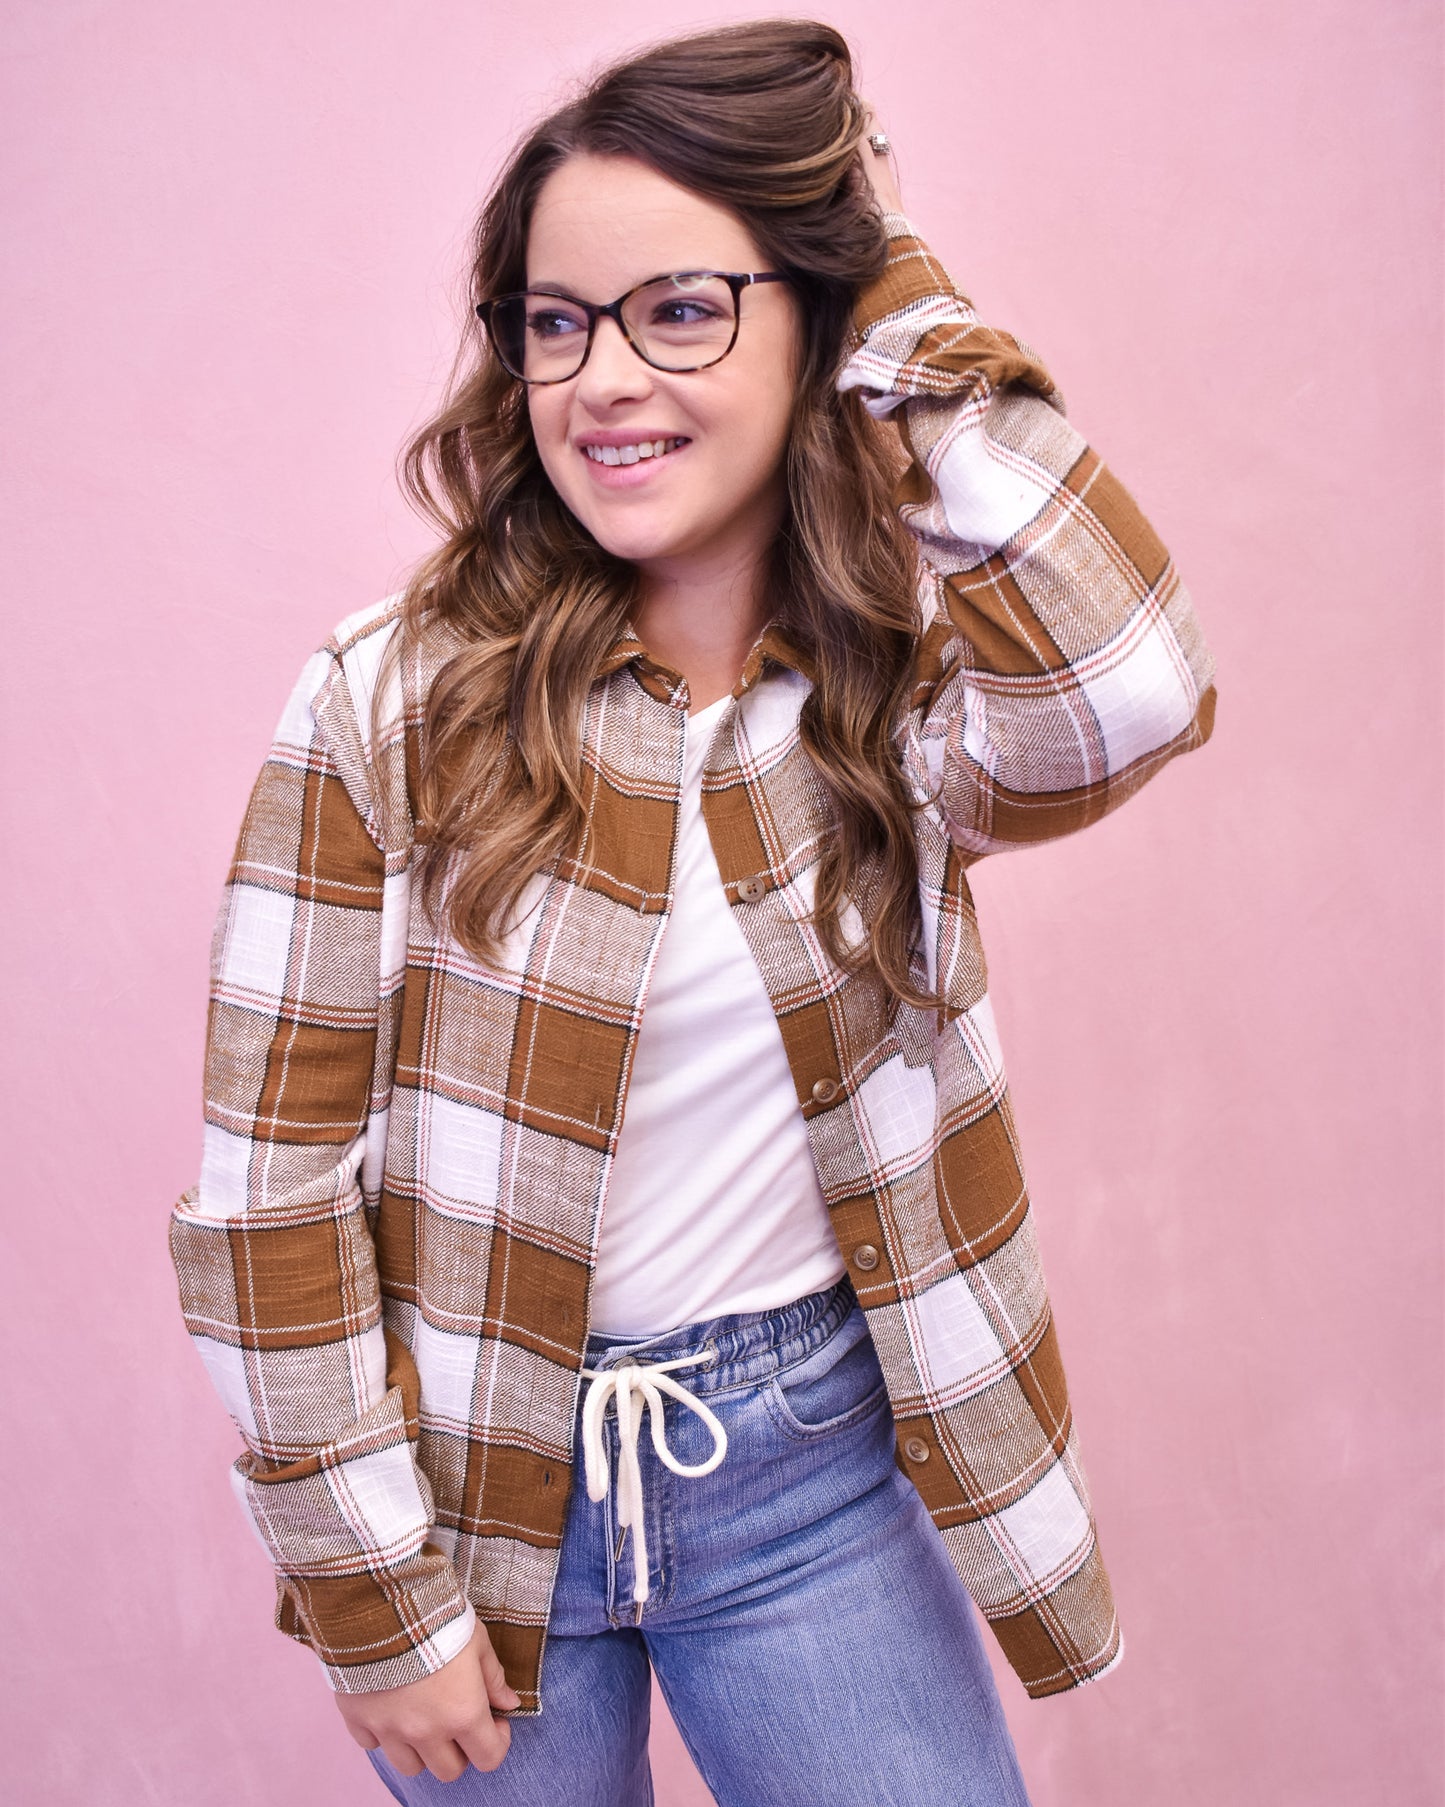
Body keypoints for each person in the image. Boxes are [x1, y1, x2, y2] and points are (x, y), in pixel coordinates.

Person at [168, 19, 1218, 1807]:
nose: (599, 380)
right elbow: (268, 1191)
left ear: (814, 323)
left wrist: (892, 289)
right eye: (554, 322)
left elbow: (1131, 683)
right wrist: (371, 1594)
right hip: (472, 1499)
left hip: (804, 1474)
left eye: (679, 310)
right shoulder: (385, 700)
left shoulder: (897, 699)